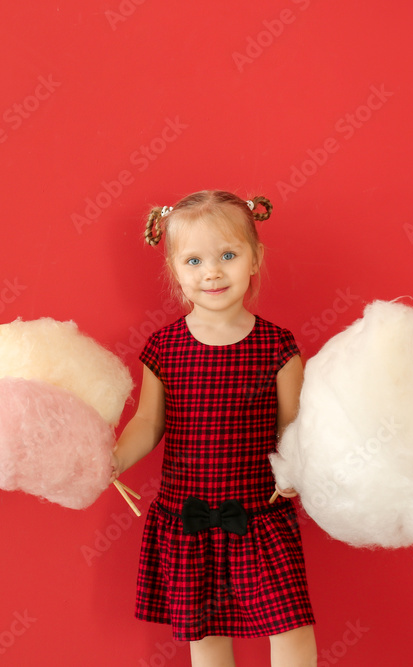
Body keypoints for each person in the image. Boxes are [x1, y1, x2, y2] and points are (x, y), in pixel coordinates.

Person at [110, 190, 317, 667]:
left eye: (228, 255)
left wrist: (296, 471)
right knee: (206, 639)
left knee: (291, 631)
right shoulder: (163, 347)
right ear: (175, 271)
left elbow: (295, 427)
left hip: (259, 518)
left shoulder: (277, 347)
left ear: (254, 259)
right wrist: (115, 457)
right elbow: (148, 421)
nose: (212, 272)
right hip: (190, 518)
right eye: (194, 260)